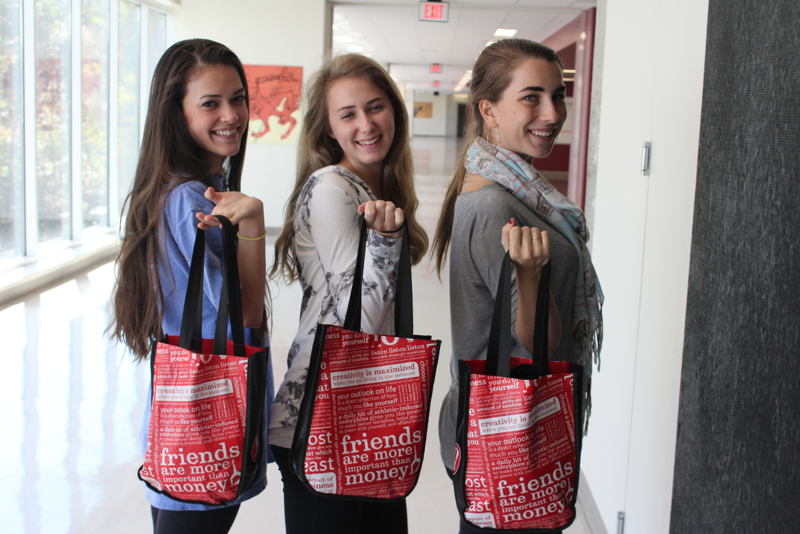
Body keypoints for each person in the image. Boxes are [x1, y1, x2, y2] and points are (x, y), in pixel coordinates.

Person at [431, 39, 604, 533]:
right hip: (506, 428)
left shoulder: (516, 188)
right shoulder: (492, 207)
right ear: (488, 109)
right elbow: (537, 343)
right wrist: (530, 277)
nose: (551, 112)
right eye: (531, 97)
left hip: (507, 419)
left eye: (558, 95)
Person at [108, 39, 272, 534]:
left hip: (182, 412)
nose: (232, 114)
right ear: (176, 114)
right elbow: (243, 314)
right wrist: (255, 225)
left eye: (238, 98)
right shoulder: (189, 200)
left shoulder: (168, 188)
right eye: (210, 103)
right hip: (209, 415)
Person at [269, 53, 428, 534]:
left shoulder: (377, 187)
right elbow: (360, 324)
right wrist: (385, 243)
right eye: (348, 114)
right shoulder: (332, 187)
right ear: (328, 131)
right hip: (320, 417)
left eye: (376, 107)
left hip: (364, 415)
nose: (366, 124)